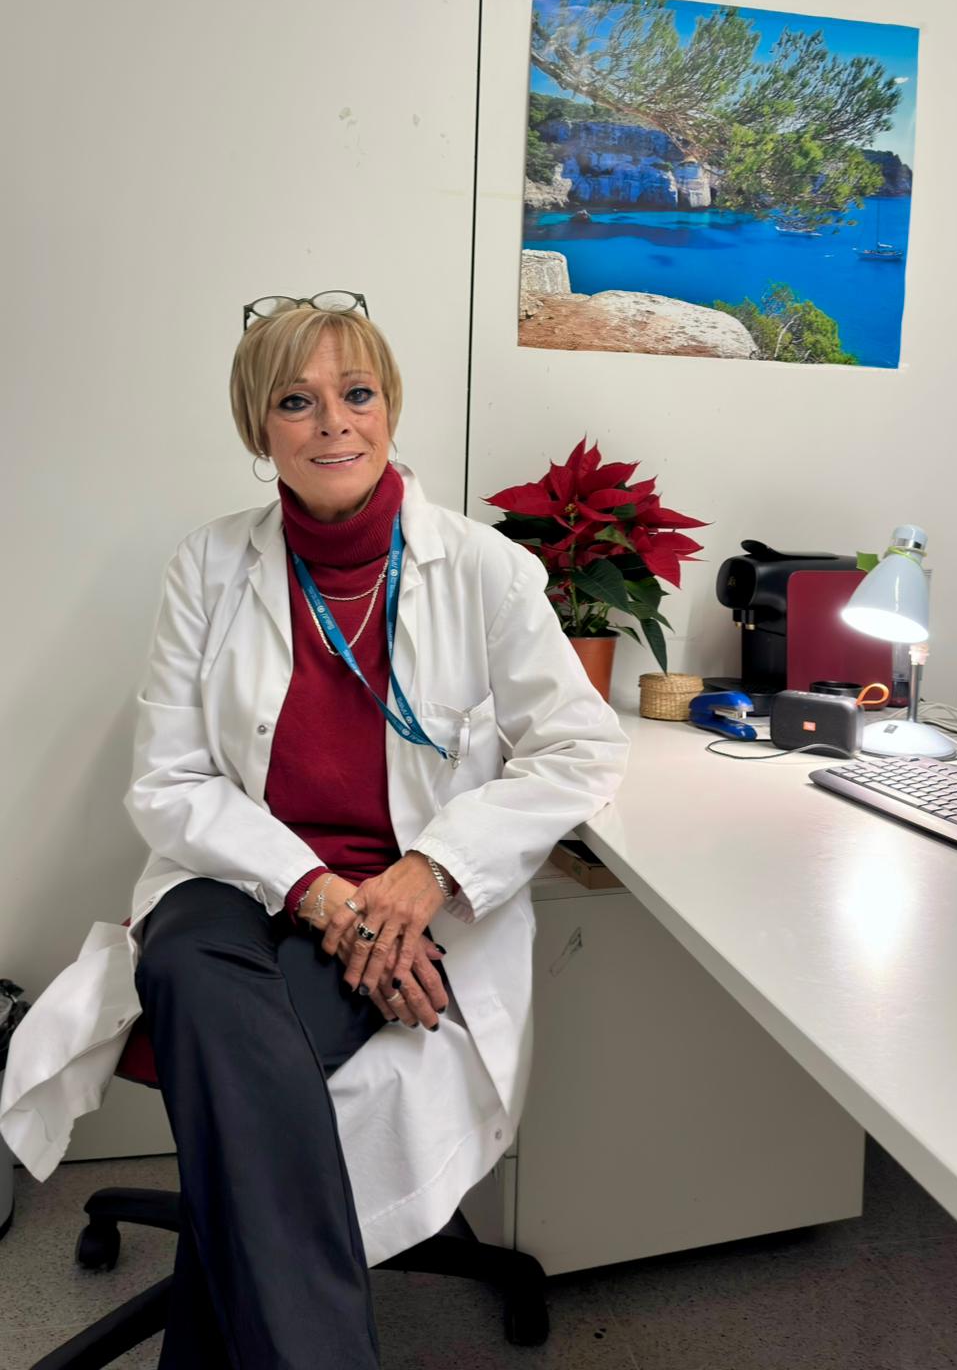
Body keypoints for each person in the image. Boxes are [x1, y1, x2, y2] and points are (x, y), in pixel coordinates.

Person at [1, 291, 629, 1369]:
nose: (334, 421)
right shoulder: (208, 566)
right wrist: (316, 891)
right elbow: (170, 782)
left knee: (232, 1072)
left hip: (401, 901)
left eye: (357, 393)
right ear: (260, 429)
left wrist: (430, 869)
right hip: (232, 879)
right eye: (297, 401)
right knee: (189, 966)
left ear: (391, 409)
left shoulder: (484, 569)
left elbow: (579, 748)